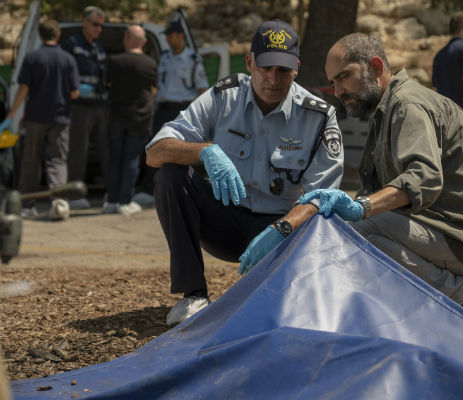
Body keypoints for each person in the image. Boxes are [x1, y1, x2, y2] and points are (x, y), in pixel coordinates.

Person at [241, 33, 463, 333]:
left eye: (345, 77)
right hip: (443, 232)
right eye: (334, 82)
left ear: (376, 66)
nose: (338, 90)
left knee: (357, 232)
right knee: (343, 232)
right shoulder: (386, 111)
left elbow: (424, 178)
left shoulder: (408, 106)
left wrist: (360, 207)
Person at [146, 19, 344, 326]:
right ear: (249, 62)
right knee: (170, 175)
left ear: (297, 69)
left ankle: (301, 291)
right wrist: (203, 150)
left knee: (275, 310)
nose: (273, 78)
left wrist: (282, 228)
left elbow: (324, 196)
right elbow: (155, 151)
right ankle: (193, 295)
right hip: (222, 219)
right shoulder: (223, 97)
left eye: (283, 70)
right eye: (265, 67)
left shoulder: (319, 116)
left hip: (280, 231)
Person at [0, 19, 79, 217]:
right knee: (57, 160)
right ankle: (59, 203)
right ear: (58, 35)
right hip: (60, 118)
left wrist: (10, 116)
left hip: (35, 117)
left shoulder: (32, 58)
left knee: (31, 160)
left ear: (41, 36)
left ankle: (26, 205)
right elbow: (75, 93)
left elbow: (23, 89)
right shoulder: (68, 59)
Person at [132, 20, 209, 207]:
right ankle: (150, 190)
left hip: (182, 108)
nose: (167, 39)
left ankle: (186, 190)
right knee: (155, 147)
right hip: (163, 108)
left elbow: (202, 90)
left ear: (180, 36)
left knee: (183, 151)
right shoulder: (165, 58)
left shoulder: (193, 60)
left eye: (170, 35)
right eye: (166, 35)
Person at [103, 24, 157, 216]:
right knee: (131, 160)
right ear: (143, 42)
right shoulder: (150, 64)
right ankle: (126, 201)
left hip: (117, 116)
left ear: (126, 39)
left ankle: (111, 201)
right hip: (140, 118)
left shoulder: (114, 61)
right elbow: (154, 89)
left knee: (115, 159)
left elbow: (107, 84)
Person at [62, 5, 108, 210]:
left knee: (106, 150)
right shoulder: (71, 44)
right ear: (84, 22)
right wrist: (75, 88)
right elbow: (63, 74)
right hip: (80, 106)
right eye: (95, 24)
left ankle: (112, 193)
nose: (98, 28)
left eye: (101, 25)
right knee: (77, 151)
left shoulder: (99, 47)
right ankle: (75, 195)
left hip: (100, 106)